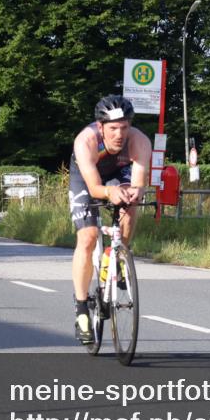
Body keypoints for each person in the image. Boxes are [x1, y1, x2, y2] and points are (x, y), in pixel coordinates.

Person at [69, 95, 151, 344]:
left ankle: (117, 258)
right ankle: (82, 307)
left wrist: (135, 192)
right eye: (113, 128)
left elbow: (138, 182)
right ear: (101, 126)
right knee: (88, 236)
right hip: (88, 178)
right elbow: (94, 188)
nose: (119, 134)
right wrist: (109, 192)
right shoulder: (86, 141)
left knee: (130, 204)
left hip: (120, 171)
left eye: (124, 128)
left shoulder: (140, 142)